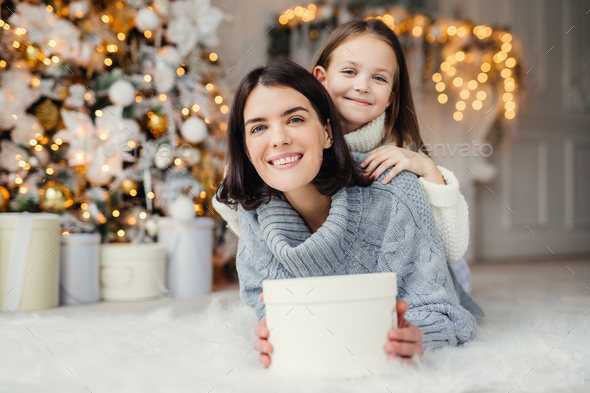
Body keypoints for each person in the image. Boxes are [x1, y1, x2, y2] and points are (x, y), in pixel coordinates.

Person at [216, 59, 477, 368]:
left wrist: (419, 334)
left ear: (327, 132)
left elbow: (445, 312)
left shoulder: (394, 190)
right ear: (246, 149)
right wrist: (271, 332)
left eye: (295, 120)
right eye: (259, 127)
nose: (278, 138)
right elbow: (267, 308)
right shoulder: (253, 207)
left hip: (444, 267)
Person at [213, 19, 474, 297]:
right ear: (321, 78)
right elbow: (261, 232)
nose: (362, 86)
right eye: (350, 71)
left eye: (379, 78)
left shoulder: (396, 155)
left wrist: (428, 169)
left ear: (390, 98)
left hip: (429, 267)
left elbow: (451, 247)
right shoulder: (290, 148)